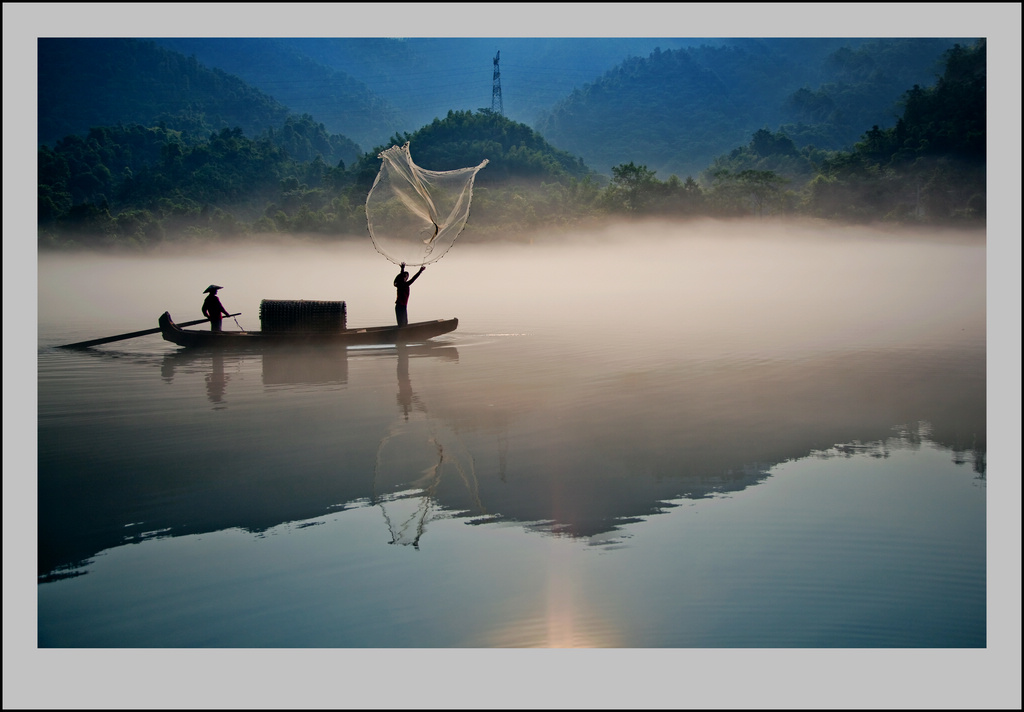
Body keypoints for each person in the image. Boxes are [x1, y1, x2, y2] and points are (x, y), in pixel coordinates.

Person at [393, 262, 425, 327]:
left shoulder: (405, 284)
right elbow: (412, 278)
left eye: (407, 277)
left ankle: (403, 333)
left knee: (405, 323)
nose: (406, 278)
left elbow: (413, 278)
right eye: (405, 276)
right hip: (400, 306)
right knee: (402, 324)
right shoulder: (401, 285)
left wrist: (420, 271)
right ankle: (401, 335)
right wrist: (402, 269)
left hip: (403, 306)